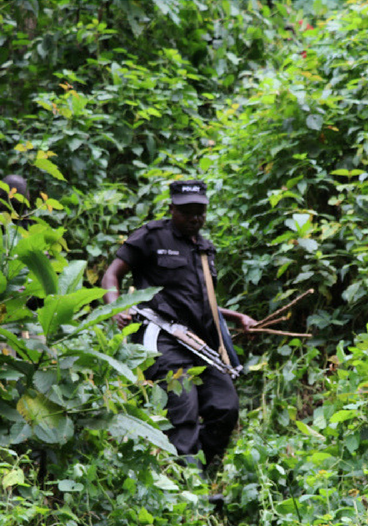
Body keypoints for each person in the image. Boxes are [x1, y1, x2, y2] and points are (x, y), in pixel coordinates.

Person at [101, 180, 256, 475]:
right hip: (162, 339)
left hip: (201, 343)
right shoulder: (152, 236)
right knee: (183, 410)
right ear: (172, 208)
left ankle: (198, 473)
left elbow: (197, 301)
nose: (194, 218)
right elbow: (111, 276)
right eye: (187, 212)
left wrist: (236, 317)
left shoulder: (205, 249)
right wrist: (117, 307)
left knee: (225, 407)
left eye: (200, 212)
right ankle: (190, 488)